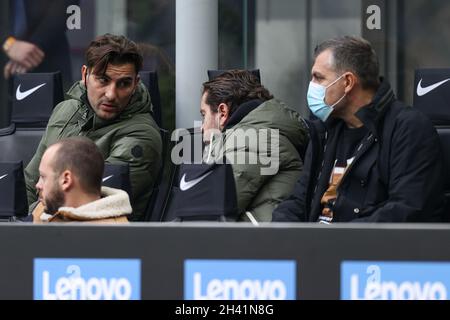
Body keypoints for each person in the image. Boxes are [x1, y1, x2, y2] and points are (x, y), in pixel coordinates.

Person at [272, 36, 445, 223]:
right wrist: (282, 234)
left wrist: (336, 241)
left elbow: (405, 210)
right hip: (314, 247)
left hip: (365, 249)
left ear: (347, 82)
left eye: (318, 77)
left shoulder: (408, 128)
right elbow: (299, 200)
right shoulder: (324, 131)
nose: (312, 85)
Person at [25, 33, 162, 221]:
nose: (112, 94)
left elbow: (85, 202)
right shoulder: (65, 110)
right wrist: (18, 225)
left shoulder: (143, 136)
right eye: (103, 80)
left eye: (124, 84)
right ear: (85, 75)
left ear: (136, 83)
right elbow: (31, 181)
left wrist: (27, 221)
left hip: (102, 241)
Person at [201, 70, 309, 222]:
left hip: (260, 242)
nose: (201, 127)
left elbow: (210, 207)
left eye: (203, 114)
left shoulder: (252, 138)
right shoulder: (255, 132)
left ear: (223, 112)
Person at [32, 137, 131, 223]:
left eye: (43, 177)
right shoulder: (43, 209)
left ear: (66, 180)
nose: (38, 185)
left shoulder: (115, 236)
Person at [2, 0, 74, 87]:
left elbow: (66, 5)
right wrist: (7, 42)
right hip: (5, 62)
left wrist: (35, 47)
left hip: (48, 56)